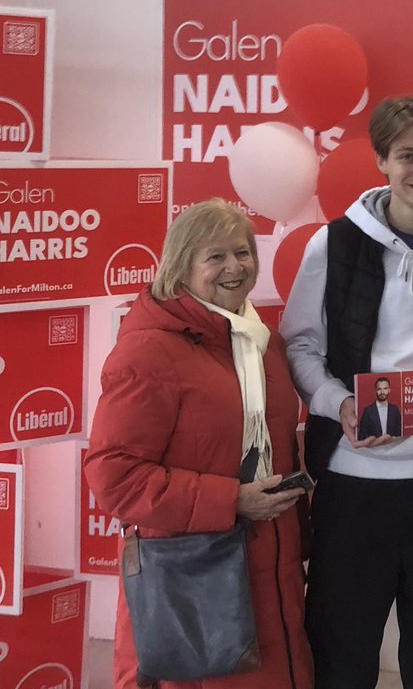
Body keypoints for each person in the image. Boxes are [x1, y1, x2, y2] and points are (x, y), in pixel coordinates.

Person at [281, 95, 413, 689]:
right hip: (352, 484)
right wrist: (339, 405)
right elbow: (299, 345)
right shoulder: (334, 243)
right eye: (406, 156)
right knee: (342, 651)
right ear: (382, 160)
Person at [85, 198, 314, 689]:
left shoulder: (261, 340)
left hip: (270, 568)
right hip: (193, 581)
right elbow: (115, 477)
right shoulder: (149, 350)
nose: (235, 267)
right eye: (216, 256)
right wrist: (231, 500)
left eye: (243, 252)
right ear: (182, 266)